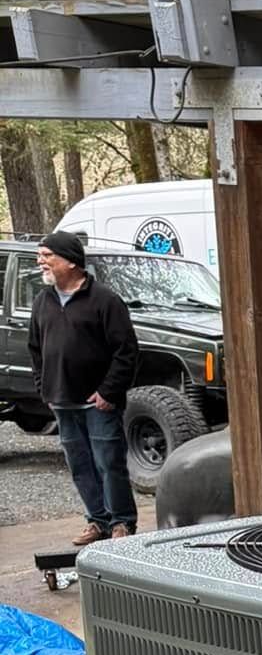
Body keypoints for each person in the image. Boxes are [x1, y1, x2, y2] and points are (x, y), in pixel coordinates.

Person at [28, 228, 139, 545]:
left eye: (47, 256)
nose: (41, 262)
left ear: (71, 261)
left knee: (109, 463)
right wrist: (45, 388)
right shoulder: (42, 300)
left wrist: (109, 392)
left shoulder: (104, 300)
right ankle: (98, 522)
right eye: (40, 256)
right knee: (80, 467)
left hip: (98, 403)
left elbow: (126, 352)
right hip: (61, 401)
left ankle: (122, 523)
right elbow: (35, 349)